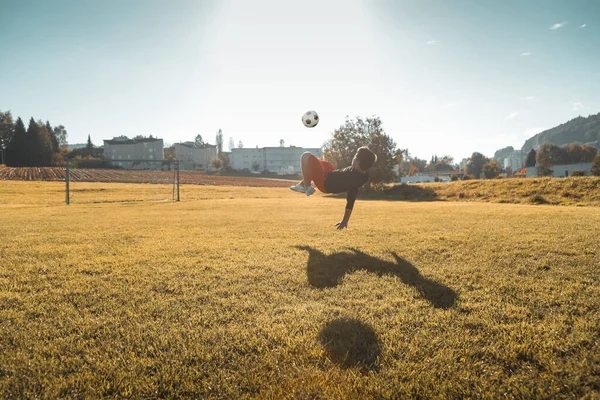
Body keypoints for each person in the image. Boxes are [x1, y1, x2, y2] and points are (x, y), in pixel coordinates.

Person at [290, 146, 377, 230]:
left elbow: (351, 199)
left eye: (354, 157)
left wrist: (345, 220)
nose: (353, 158)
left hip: (324, 182)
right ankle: (302, 185)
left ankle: (307, 187)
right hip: (330, 173)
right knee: (319, 163)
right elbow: (367, 154)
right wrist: (345, 220)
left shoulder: (353, 178)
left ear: (357, 163)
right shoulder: (364, 175)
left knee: (306, 156)